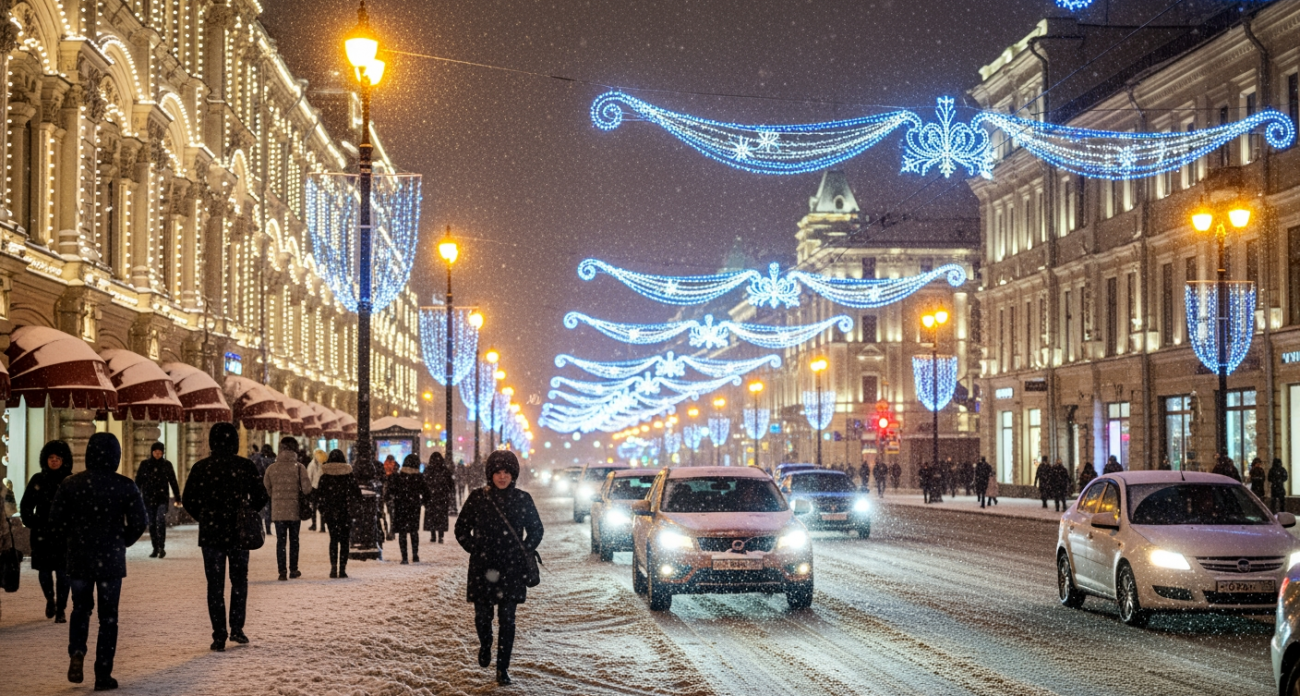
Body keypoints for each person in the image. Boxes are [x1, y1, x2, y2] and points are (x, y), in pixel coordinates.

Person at [48, 433, 148, 691]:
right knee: (109, 617)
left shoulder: (71, 485)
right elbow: (139, 522)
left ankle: (77, 651)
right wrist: (120, 541)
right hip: (110, 560)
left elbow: (56, 522)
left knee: (80, 609)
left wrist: (72, 541)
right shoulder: (125, 485)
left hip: (80, 558)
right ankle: (103, 672)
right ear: (116, 456)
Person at [455, 451, 543, 687]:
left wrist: (524, 549)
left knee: (508, 620)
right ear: (490, 474)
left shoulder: (523, 499)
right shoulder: (477, 498)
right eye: (497, 472)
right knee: (482, 616)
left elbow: (536, 530)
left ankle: (502, 668)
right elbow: (461, 529)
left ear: (513, 475)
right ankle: (485, 643)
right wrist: (476, 549)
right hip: (483, 568)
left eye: (507, 472)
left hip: (511, 569)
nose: (502, 477)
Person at [183, 422, 270, 652]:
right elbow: (262, 495)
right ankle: (237, 628)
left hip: (211, 533)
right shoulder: (245, 466)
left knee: (215, 585)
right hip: (238, 532)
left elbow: (188, 499)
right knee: (239, 581)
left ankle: (219, 634)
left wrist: (204, 515)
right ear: (234, 441)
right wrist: (249, 510)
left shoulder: (202, 467)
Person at [20, 440, 74, 623]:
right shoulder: (38, 480)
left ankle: (61, 609)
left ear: (63, 460)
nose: (54, 461)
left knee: (63, 573)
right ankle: (50, 599)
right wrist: (33, 522)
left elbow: (79, 508)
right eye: (51, 458)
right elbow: (26, 505)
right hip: (42, 533)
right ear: (45, 459)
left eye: (58, 458)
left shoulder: (70, 481)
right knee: (44, 571)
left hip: (63, 535)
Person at [264, 437, 311, 581]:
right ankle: (293, 569)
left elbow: (267, 488)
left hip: (278, 511)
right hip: (294, 510)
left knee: (281, 541)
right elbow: (307, 489)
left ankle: (282, 571)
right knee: (294, 540)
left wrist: (276, 496)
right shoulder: (299, 467)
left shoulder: (272, 468)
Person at [317, 449, 361, 578]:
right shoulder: (348, 475)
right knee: (344, 540)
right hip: (345, 511)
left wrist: (323, 510)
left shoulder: (325, 476)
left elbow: (319, 496)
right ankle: (342, 569)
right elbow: (357, 494)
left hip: (330, 512)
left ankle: (333, 568)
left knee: (334, 539)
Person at [134, 442, 181, 558]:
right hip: (148, 498)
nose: (158, 454)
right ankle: (155, 548)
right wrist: (135, 497)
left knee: (160, 520)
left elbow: (173, 481)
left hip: (162, 498)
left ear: (163, 453)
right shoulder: (145, 465)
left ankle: (161, 547)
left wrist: (177, 497)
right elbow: (138, 481)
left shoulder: (167, 465)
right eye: (156, 452)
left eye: (160, 452)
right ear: (152, 452)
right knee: (152, 524)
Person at [386, 454, 429, 563]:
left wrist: (392, 498)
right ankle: (415, 555)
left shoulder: (398, 476)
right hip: (414, 506)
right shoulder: (419, 477)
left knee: (402, 532)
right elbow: (427, 493)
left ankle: (404, 557)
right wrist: (422, 502)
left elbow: (389, 491)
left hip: (400, 506)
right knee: (414, 531)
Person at [424, 451, 454, 543]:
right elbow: (451, 484)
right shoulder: (445, 470)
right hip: (442, 497)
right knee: (441, 516)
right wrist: (446, 491)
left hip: (431, 497)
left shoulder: (428, 470)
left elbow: (424, 482)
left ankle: (433, 535)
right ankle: (440, 535)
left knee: (432, 516)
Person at [255, 444, 275, 534]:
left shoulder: (258, 460)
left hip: (260, 486)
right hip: (270, 486)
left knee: (260, 509)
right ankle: (268, 528)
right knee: (268, 508)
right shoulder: (273, 460)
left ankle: (260, 527)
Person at [307, 449, 326, 532]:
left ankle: (316, 525)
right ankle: (320, 526)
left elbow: (309, 477)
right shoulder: (322, 464)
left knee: (315, 507)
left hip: (315, 488)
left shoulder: (312, 465)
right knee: (319, 507)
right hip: (318, 488)